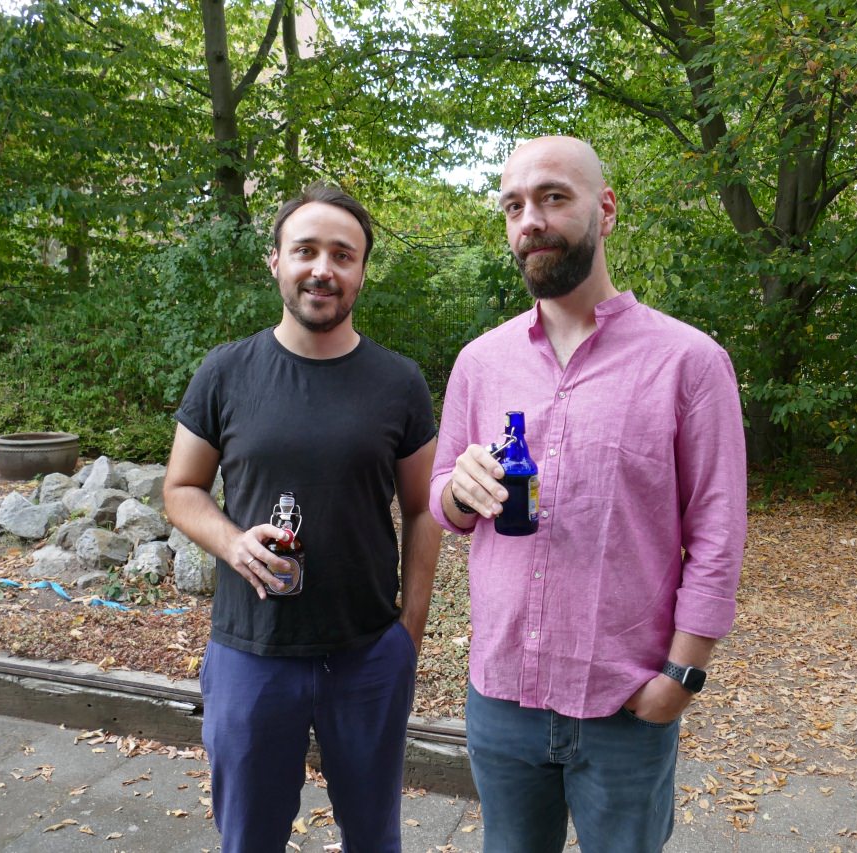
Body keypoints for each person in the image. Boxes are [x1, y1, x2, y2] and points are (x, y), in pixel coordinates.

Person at [429, 136, 747, 853]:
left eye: (553, 197)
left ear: (605, 211)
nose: (530, 220)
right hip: (501, 696)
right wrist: (458, 493)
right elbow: (442, 497)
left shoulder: (690, 363)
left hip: (625, 703)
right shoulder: (480, 362)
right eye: (513, 206)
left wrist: (683, 675)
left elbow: (718, 530)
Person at [164, 183, 441, 853]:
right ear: (276, 261)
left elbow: (423, 505)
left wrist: (409, 629)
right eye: (306, 250)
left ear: (362, 271)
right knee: (249, 839)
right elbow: (181, 488)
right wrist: (233, 542)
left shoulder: (399, 382)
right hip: (250, 653)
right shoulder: (226, 371)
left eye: (342, 255)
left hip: (367, 652)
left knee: (374, 838)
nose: (323, 269)